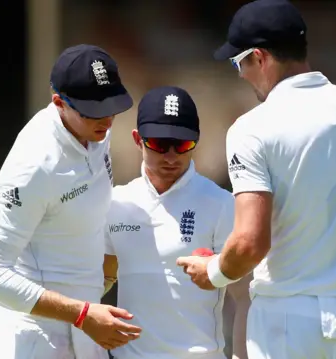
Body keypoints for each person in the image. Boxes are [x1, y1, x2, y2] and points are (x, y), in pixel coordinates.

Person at [176, 1, 336, 359]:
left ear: (259, 58)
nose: (239, 74)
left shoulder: (252, 129)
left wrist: (213, 271)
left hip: (285, 327)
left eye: (238, 63)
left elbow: (249, 243)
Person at [0, 44, 142, 359]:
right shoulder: (35, 164)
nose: (106, 120)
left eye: (112, 107)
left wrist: (101, 276)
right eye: (92, 110)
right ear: (59, 103)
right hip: (26, 341)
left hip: (85, 335)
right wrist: (81, 313)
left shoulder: (94, 133)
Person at [102, 86, 251, 359]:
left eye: (181, 145)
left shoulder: (221, 203)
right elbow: (97, 283)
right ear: (138, 139)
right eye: (159, 144)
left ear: (196, 141)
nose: (171, 157)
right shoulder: (115, 202)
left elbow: (245, 298)